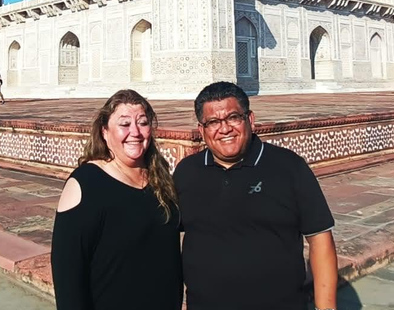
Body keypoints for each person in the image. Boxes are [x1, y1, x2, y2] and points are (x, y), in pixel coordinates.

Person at [174, 81, 338, 310]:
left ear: (250, 120)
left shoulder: (288, 168)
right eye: (213, 122)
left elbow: (319, 237)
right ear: (201, 130)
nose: (224, 129)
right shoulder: (187, 172)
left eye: (233, 117)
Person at [51, 89, 182, 310]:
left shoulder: (159, 178)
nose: (135, 132)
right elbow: (67, 273)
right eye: (124, 124)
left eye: (142, 122)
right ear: (104, 131)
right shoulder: (86, 183)